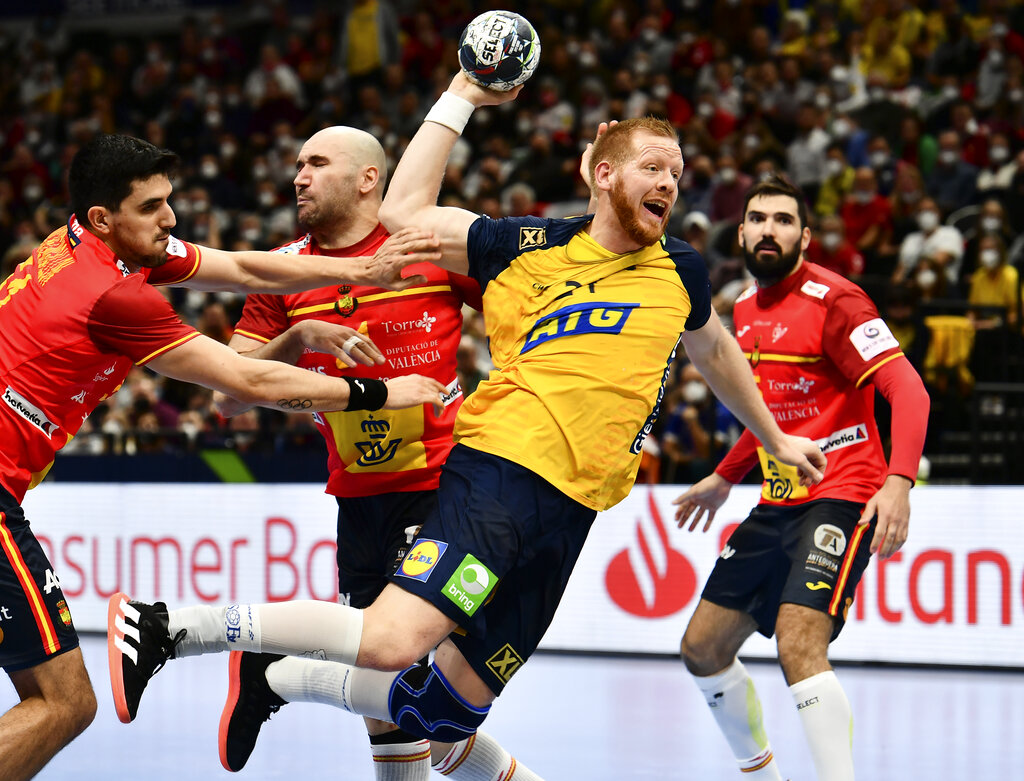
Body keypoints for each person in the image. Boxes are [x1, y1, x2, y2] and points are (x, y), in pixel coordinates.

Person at [107, 76, 825, 777]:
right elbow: (403, 212)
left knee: (443, 714)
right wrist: (463, 94)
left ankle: (277, 676)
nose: (670, 181)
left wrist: (773, 436)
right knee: (390, 641)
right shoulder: (526, 244)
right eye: (652, 166)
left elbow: (717, 348)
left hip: (575, 508)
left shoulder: (682, 267)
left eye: (676, 171)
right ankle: (169, 626)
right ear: (604, 175)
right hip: (499, 471)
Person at [0, 133, 448, 781]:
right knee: (63, 704)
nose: (171, 219)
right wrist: (382, 391)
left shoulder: (82, 241)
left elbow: (242, 267)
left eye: (168, 202)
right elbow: (247, 383)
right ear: (105, 218)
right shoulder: (112, 295)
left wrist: (356, 270)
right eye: (153, 206)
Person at [213, 125, 531, 779]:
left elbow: (523, 312)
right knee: (409, 709)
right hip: (357, 497)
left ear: (367, 179)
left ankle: (277, 669)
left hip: (446, 485)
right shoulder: (285, 272)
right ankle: (275, 669)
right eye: (297, 163)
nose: (298, 175)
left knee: (414, 676)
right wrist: (298, 338)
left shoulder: (427, 248)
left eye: (316, 163)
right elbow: (230, 398)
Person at [674, 174, 930, 781]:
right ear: (740, 232)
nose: (769, 229)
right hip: (777, 499)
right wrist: (723, 476)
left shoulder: (836, 301)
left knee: (799, 643)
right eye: (758, 219)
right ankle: (760, 773)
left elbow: (909, 390)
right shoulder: (738, 305)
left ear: (805, 237)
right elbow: (768, 415)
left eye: (784, 220)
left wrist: (899, 482)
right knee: (702, 649)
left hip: (843, 493)